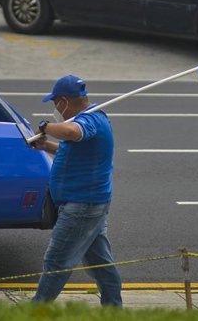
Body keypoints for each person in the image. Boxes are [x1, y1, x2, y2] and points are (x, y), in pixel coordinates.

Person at [31, 74, 122, 306]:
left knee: (56, 261)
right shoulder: (90, 117)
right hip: (89, 204)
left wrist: (46, 127)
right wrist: (47, 145)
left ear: (63, 101)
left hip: (81, 207)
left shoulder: (89, 120)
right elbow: (73, 150)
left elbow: (72, 133)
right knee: (100, 263)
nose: (56, 109)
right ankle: (113, 308)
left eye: (55, 104)